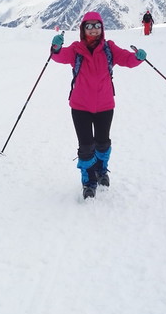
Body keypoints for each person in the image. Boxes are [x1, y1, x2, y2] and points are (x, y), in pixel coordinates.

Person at [50, 11, 146, 199]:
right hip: (80, 107)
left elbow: (126, 59)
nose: (93, 29)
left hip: (104, 105)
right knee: (86, 146)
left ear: (102, 28)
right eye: (89, 26)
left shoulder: (109, 48)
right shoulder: (76, 49)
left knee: (103, 143)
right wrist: (55, 48)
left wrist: (137, 58)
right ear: (83, 29)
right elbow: (59, 56)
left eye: (97, 26)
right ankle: (89, 181)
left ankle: (102, 171)